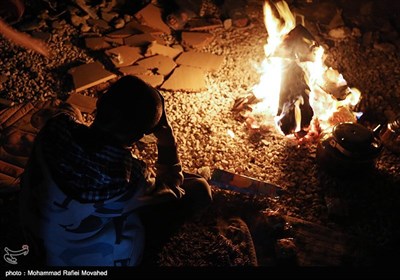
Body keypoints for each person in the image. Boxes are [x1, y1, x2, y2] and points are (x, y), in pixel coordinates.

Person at [19, 75, 213, 266]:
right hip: (81, 259)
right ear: (141, 135)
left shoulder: (56, 127)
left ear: (100, 102)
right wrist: (167, 139)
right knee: (198, 188)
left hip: (31, 232)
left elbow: (68, 117)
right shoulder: (131, 178)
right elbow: (172, 185)